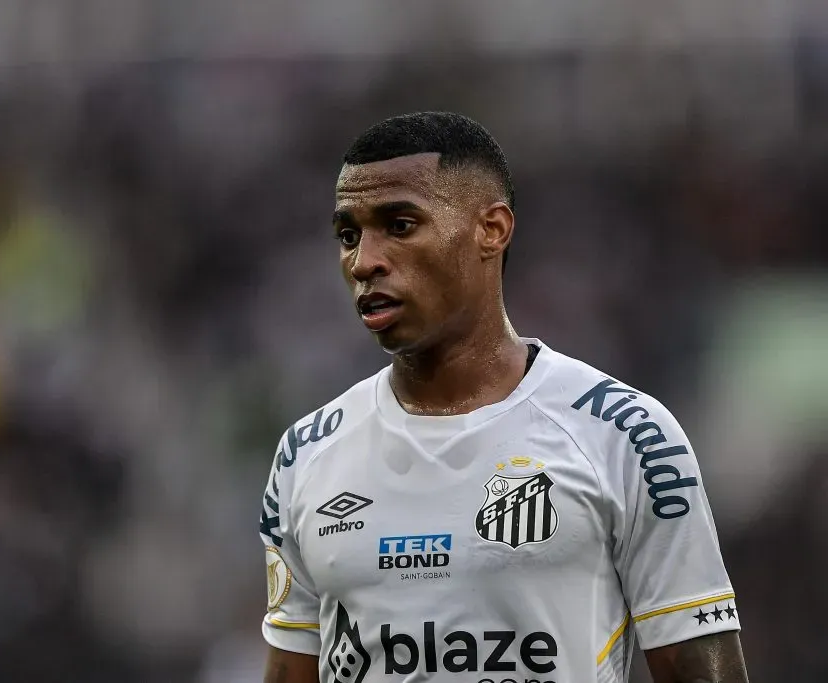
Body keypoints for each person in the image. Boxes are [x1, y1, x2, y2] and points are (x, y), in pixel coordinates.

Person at [258, 112, 748, 683]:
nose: (364, 261)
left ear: (491, 229)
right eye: (349, 235)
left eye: (399, 225)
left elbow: (700, 669)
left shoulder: (627, 436)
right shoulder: (307, 455)